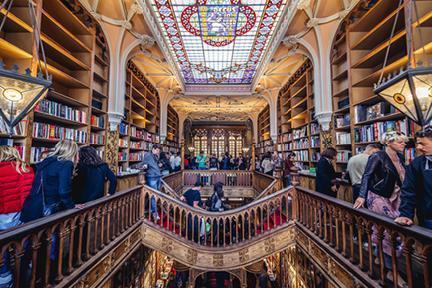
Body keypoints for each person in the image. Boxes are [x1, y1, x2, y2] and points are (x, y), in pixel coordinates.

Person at [354, 131, 408, 285]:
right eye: (399, 141)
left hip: (396, 197)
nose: (403, 144)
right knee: (390, 233)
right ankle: (392, 272)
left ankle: (380, 257)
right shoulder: (377, 156)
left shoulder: (400, 158)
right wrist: (361, 196)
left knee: (386, 231)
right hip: (378, 197)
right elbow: (367, 176)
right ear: (388, 143)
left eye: (404, 141)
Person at [21, 140, 82, 223]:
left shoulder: (46, 161)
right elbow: (64, 191)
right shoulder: (66, 164)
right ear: (72, 152)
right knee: (52, 234)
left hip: (33, 206)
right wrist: (71, 206)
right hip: (49, 207)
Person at [0, 146, 34, 288]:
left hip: (2, 216)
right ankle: (24, 272)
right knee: (21, 246)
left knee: (2, 248)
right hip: (21, 215)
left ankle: (5, 278)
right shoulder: (26, 169)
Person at [396, 126, 432, 229]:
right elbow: (408, 190)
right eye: (418, 143)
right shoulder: (416, 164)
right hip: (428, 218)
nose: (418, 147)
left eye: (422, 144)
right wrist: (405, 214)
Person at [140, 144, 162, 221]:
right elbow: (143, 164)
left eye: (159, 151)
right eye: (157, 150)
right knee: (153, 196)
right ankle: (155, 213)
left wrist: (160, 164)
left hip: (158, 176)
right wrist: (144, 166)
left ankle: (153, 210)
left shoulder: (156, 156)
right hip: (152, 177)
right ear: (153, 149)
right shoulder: (147, 155)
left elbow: (155, 165)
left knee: (157, 195)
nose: (158, 152)